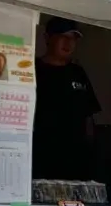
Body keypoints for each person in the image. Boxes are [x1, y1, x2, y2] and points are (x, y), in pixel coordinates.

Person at [31, 18, 100, 180]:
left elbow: (89, 116)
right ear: (48, 38)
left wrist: (91, 151)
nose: (69, 43)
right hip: (41, 155)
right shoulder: (34, 69)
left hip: (75, 158)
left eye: (73, 38)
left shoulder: (78, 72)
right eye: (63, 37)